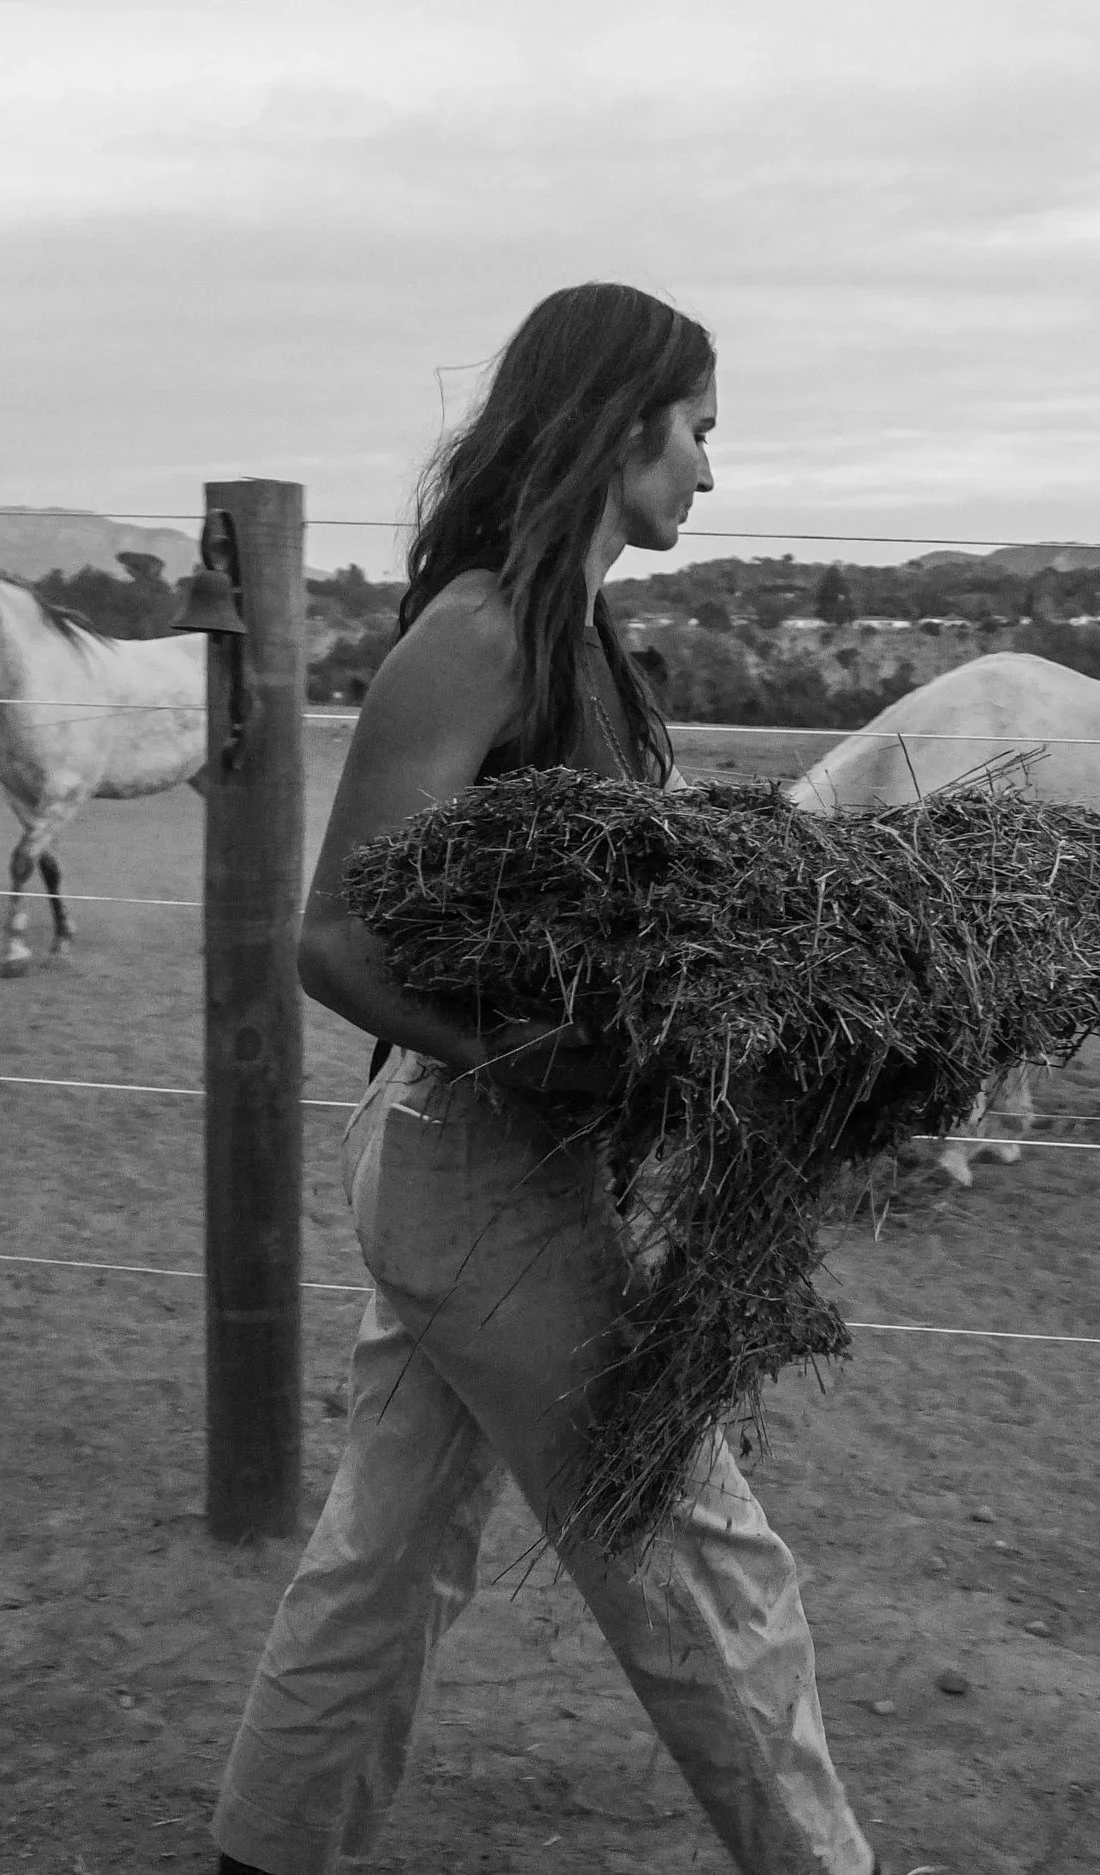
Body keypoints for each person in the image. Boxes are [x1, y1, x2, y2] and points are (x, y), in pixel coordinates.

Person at [211, 283, 876, 1875]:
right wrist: (574, 1058)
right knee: (699, 1547)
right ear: (619, 421)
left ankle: (263, 1857)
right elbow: (333, 941)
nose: (709, 477)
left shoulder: (578, 634)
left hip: (497, 1166)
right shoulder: (487, 632)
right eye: (698, 433)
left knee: (386, 1565)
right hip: (477, 1166)